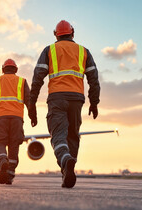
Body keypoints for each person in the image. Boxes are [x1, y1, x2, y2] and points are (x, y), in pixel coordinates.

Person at [30, 20, 100, 188]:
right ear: (72, 33)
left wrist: (31, 103)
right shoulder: (84, 52)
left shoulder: (49, 50)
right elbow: (94, 79)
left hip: (57, 98)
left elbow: (37, 77)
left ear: (56, 34)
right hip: (77, 99)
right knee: (73, 135)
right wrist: (94, 102)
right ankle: (68, 170)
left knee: (58, 135)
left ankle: (65, 160)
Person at [0, 59, 35, 185]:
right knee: (14, 145)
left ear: (3, 69)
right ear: (16, 69)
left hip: (2, 118)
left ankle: (2, 160)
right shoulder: (22, 81)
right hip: (17, 119)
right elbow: (29, 100)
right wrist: (32, 116)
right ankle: (10, 173)